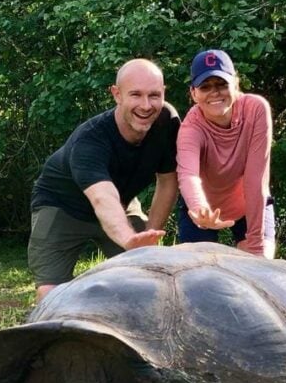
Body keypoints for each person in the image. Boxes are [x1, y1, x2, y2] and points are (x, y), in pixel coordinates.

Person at [28, 58, 179, 302]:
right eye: (135, 95)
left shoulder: (167, 121)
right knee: (51, 294)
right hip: (62, 205)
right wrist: (128, 240)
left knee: (150, 276)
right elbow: (102, 197)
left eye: (154, 95)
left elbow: (168, 180)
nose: (146, 105)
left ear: (163, 93)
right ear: (117, 95)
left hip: (122, 201)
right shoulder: (90, 140)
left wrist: (148, 236)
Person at [176, 49, 276, 258]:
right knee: (199, 273)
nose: (215, 92)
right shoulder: (190, 129)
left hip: (249, 202)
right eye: (205, 87)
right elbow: (188, 176)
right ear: (194, 93)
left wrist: (256, 246)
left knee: (260, 262)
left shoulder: (256, 109)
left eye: (222, 84)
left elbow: (256, 178)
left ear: (236, 85)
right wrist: (200, 210)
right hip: (203, 209)